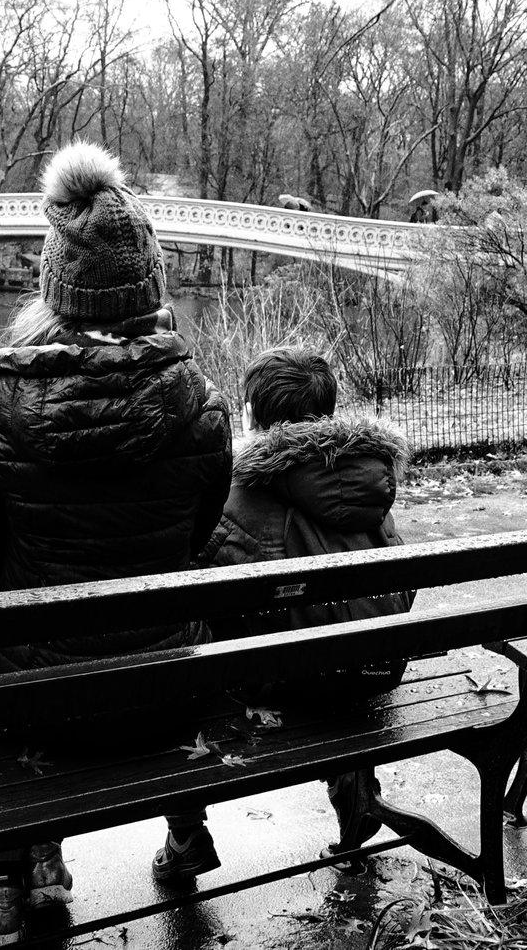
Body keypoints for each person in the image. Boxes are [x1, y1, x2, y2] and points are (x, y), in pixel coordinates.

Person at [0, 141, 233, 946]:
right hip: (161, 693)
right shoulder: (205, 405)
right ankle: (183, 828)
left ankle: (10, 875)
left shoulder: (1, 401)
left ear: (56, 288)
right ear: (148, 286)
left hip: (34, 702)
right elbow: (200, 532)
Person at [194, 346, 414, 862]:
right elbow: (399, 585)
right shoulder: (368, 479)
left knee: (202, 648)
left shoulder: (238, 492)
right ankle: (354, 780)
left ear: (253, 414)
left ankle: (186, 834)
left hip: (292, 681)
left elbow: (202, 587)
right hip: (376, 666)